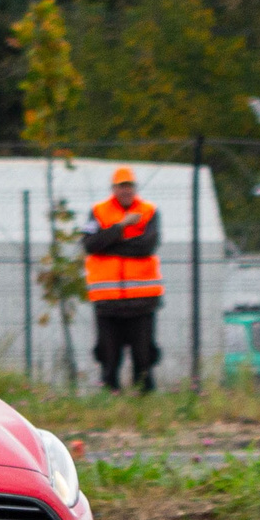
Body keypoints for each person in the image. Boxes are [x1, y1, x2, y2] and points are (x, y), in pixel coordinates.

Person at [83, 166, 162, 391]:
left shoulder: (149, 211)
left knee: (143, 354)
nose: (126, 191)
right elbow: (90, 245)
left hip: (142, 298)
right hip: (107, 299)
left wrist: (109, 245)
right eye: (121, 186)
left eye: (129, 186)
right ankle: (111, 394)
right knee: (108, 355)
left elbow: (146, 247)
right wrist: (122, 226)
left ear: (134, 188)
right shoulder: (98, 211)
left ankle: (144, 396)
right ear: (114, 188)